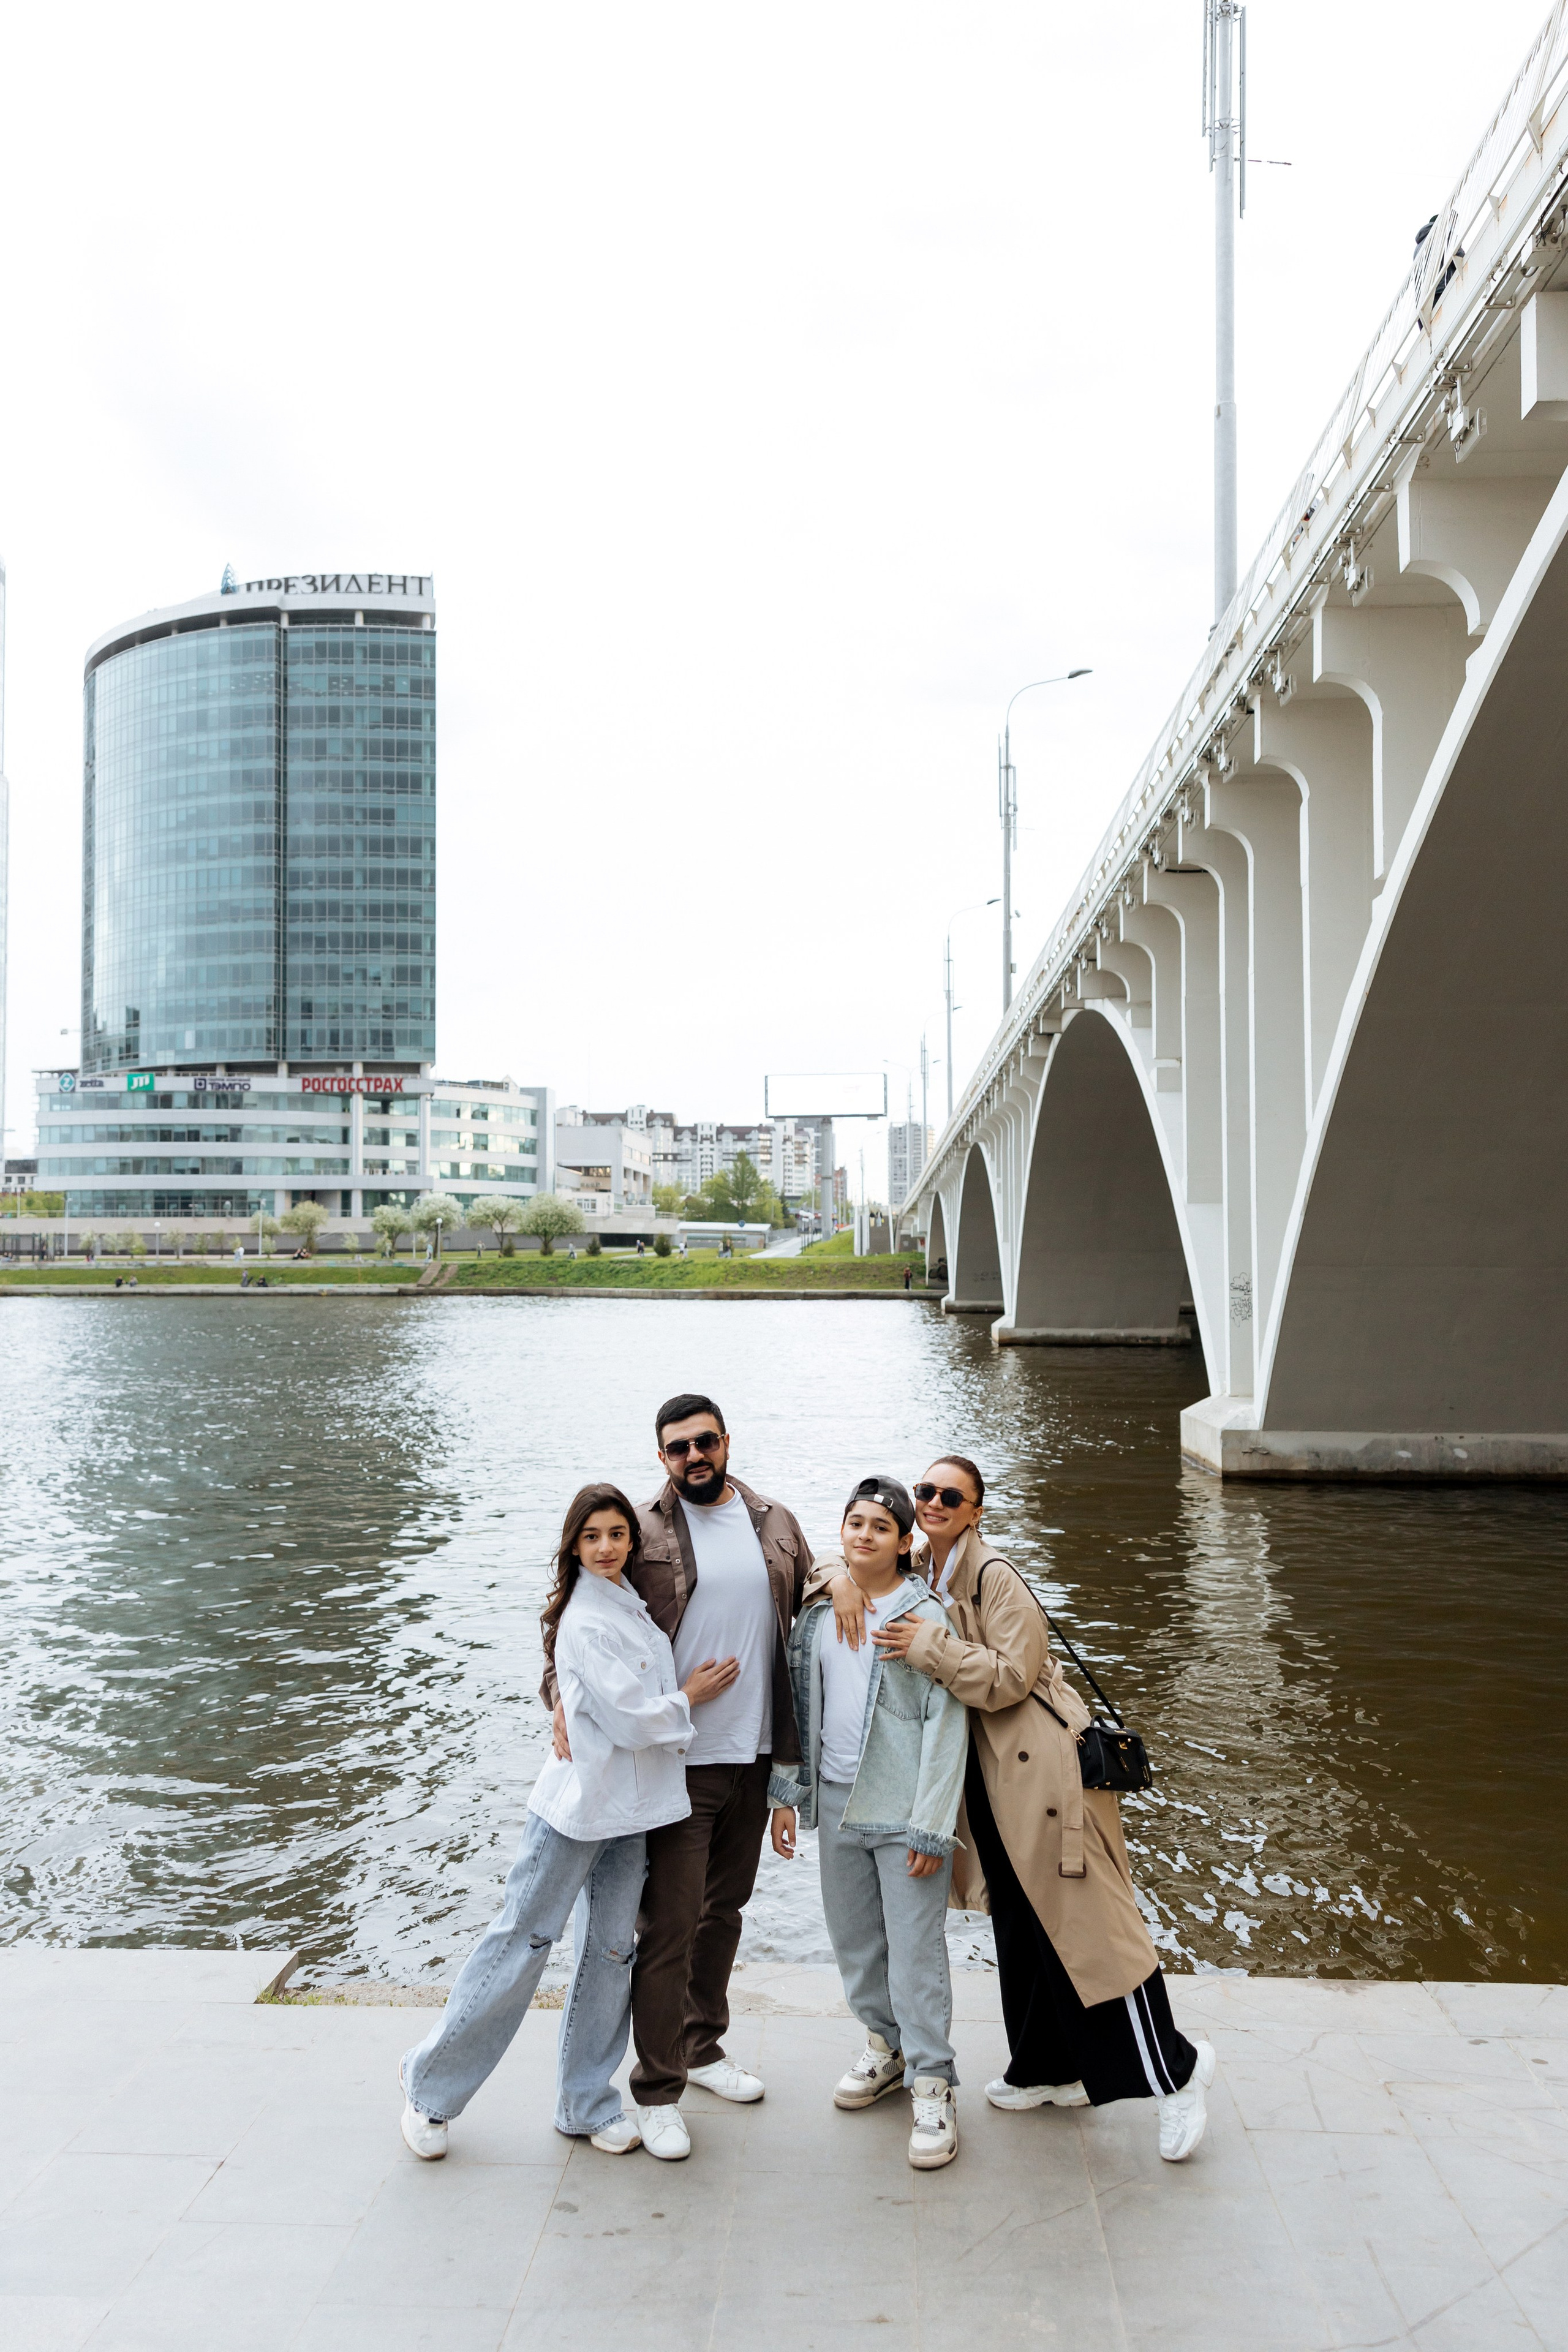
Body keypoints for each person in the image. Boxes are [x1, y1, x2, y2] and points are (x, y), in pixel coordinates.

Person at [870, 1457, 1217, 2163]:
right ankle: (1048, 2069)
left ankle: (1176, 2074)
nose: (933, 1502)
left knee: (1094, 1933)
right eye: (925, 1492)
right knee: (1024, 1929)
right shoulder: (925, 1568)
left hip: (1043, 1778)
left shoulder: (995, 1576)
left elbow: (1011, 1676)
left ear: (975, 1512)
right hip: (992, 1780)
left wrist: (930, 1646)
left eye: (950, 1496)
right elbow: (846, 1562)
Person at [400, 1483, 734, 2160]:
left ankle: (585, 2104)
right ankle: (428, 2089)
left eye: (617, 1534)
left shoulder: (628, 1603)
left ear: (631, 1541)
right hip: (577, 1810)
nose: (606, 1547)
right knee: (522, 1943)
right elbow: (628, 1720)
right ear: (573, 1546)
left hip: (632, 1811)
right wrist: (688, 1697)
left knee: (611, 1954)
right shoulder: (585, 1619)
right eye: (592, 1537)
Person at [544, 1392, 814, 2159]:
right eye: (677, 1447)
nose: (693, 1456)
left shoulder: (776, 1522)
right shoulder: (636, 1530)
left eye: (704, 1442)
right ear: (661, 1456)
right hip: (674, 1761)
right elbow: (574, 1612)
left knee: (724, 1912)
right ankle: (657, 2090)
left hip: (753, 1756)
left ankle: (702, 2047)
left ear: (726, 1442)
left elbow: (816, 1599)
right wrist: (560, 1694)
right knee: (668, 1927)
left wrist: (864, 1585)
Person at [769, 1477, 967, 2169]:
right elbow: (797, 1705)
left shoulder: (926, 1617)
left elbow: (947, 1725)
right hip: (836, 1801)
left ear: (905, 1542)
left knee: (915, 1953)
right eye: (855, 1523)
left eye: (881, 1527)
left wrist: (931, 1825)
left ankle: (934, 2082)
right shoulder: (820, 1614)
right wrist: (786, 1795)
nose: (865, 1535)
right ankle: (885, 2047)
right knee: (855, 1942)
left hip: (903, 1809)